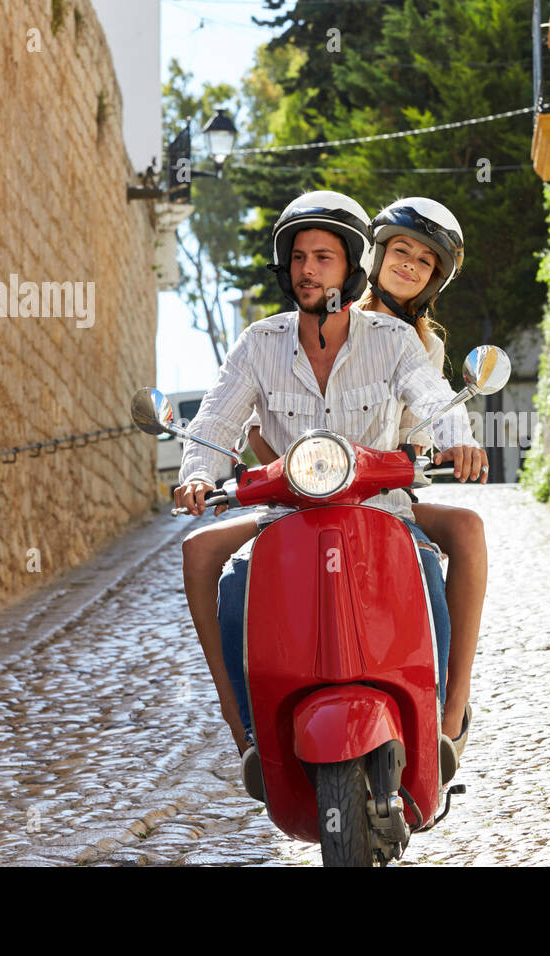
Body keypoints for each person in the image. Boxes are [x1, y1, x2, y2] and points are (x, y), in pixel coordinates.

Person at [173, 190, 486, 791]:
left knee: (426, 578)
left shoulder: (396, 342)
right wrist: (197, 472)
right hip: (286, 515)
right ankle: (251, 733)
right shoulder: (258, 343)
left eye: (323, 257)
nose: (308, 269)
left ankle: (438, 722)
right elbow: (217, 418)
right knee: (238, 583)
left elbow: (432, 398)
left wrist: (458, 440)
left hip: (381, 509)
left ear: (351, 265)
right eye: (298, 258)